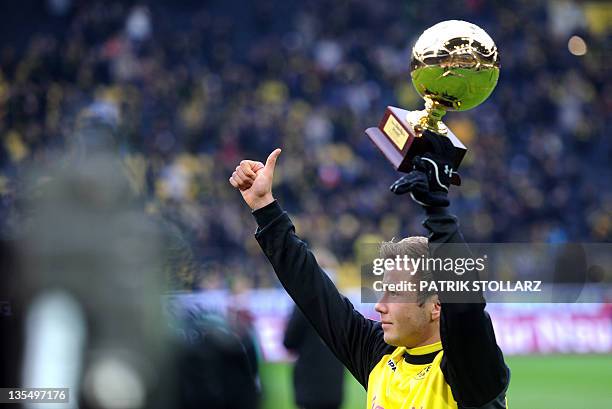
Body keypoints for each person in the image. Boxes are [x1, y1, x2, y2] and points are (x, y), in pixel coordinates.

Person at [229, 133, 510, 408]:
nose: (380, 306)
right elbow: (311, 289)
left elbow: (465, 308)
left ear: (437, 305)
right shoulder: (378, 353)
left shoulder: (471, 371)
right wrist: (264, 207)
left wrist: (437, 209)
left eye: (395, 293)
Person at [284, 304, 344, 409]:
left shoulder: (302, 303)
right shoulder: (339, 303)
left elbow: (289, 341)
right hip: (334, 381)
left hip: (311, 382)